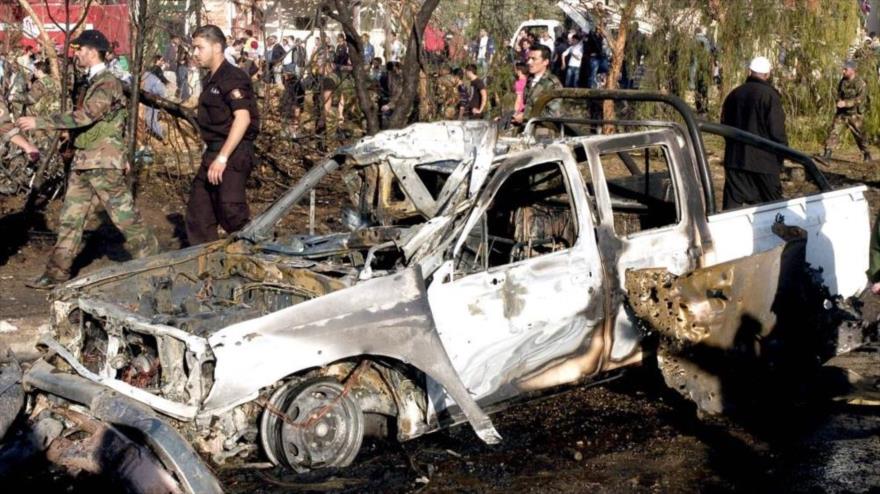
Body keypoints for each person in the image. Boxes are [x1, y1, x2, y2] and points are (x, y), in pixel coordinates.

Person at [17, 30, 159, 289]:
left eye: (80, 49)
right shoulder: (92, 82)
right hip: (86, 160)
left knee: (124, 216)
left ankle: (155, 267)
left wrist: (40, 122)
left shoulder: (107, 83)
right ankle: (56, 272)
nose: (77, 53)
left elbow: (85, 117)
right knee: (71, 218)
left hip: (103, 163)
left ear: (92, 51)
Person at [186, 25, 260, 245]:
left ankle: (258, 252)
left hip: (233, 153)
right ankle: (204, 266)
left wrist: (222, 157)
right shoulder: (212, 78)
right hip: (215, 151)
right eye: (194, 48)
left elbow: (243, 119)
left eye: (199, 48)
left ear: (217, 47)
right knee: (199, 212)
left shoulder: (232, 77)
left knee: (231, 212)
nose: (195, 53)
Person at [720, 56, 787, 209]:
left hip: (735, 160)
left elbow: (724, 125)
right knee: (774, 209)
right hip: (764, 163)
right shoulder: (770, 96)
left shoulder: (733, 94)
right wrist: (782, 155)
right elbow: (777, 131)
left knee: (731, 210)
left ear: (749, 72)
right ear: (767, 75)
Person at [823, 60, 872, 162]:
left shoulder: (860, 83)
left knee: (860, 136)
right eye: (843, 69)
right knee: (833, 132)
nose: (843, 71)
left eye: (846, 69)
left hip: (855, 115)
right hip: (842, 114)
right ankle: (827, 154)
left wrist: (846, 103)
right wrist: (838, 102)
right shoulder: (842, 82)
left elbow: (860, 99)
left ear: (852, 70)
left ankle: (867, 154)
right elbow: (838, 94)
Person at [513, 44, 562, 125]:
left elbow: (553, 114)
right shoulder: (530, 79)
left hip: (543, 131)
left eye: (534, 59)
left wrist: (526, 116)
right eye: (528, 58)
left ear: (545, 62)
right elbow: (527, 105)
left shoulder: (553, 84)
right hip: (527, 127)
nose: (529, 62)